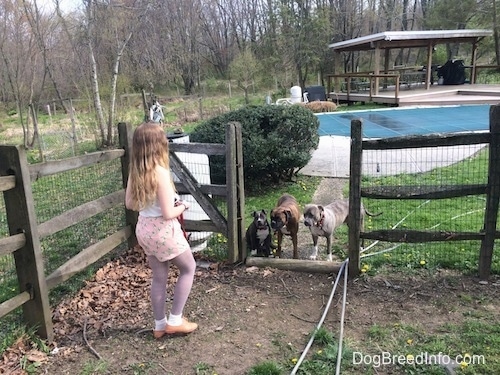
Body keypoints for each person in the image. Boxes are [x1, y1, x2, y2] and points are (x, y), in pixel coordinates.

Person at [125, 121, 198, 338]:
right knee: (188, 268)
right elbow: (168, 213)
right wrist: (183, 205)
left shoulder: (136, 171)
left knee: (159, 276)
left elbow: (130, 203)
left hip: (145, 229)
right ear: (157, 144)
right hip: (163, 231)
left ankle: (159, 326)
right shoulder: (160, 173)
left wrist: (149, 203)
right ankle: (175, 320)